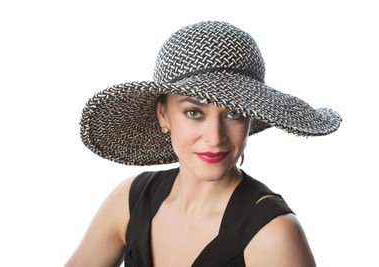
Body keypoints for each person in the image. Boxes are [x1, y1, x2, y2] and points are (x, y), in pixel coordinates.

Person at [66, 21, 342, 267]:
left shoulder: (273, 234)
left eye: (233, 113)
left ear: (250, 119)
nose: (215, 137)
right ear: (163, 114)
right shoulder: (130, 200)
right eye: (194, 113)